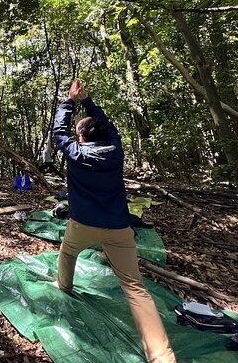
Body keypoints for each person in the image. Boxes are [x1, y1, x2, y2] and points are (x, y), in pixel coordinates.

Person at [53, 79, 175, 363]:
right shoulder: (116, 150)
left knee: (68, 252)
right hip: (119, 228)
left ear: (81, 138)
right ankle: (162, 356)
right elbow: (109, 127)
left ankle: (65, 286)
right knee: (135, 287)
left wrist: (71, 101)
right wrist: (88, 102)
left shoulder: (76, 153)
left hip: (82, 224)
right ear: (105, 135)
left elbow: (59, 131)